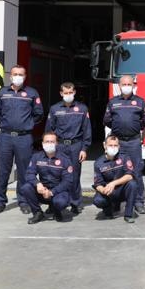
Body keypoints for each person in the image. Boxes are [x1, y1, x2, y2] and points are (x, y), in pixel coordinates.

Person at [0, 65, 44, 215]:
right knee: (2, 171)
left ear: (25, 76)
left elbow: (38, 114)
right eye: (15, 74)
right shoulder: (3, 92)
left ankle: (24, 201)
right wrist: (8, 124)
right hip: (5, 137)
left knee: (24, 172)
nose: (18, 76)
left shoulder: (31, 93)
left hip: (24, 138)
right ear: (10, 76)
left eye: (21, 74)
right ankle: (0, 202)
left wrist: (26, 125)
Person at [103, 74, 145, 214]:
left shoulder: (140, 102)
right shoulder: (113, 102)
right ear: (119, 86)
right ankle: (117, 201)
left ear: (134, 85)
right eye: (123, 84)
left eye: (129, 84)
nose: (126, 87)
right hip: (118, 142)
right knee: (117, 171)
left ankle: (138, 201)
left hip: (134, 142)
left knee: (136, 172)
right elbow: (107, 120)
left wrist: (134, 127)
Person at [45, 81, 92, 216]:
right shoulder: (54, 109)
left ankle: (75, 203)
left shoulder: (82, 109)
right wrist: (49, 147)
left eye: (71, 92)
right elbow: (49, 130)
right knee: (55, 174)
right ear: (61, 93)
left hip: (76, 146)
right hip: (59, 146)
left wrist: (84, 148)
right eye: (65, 93)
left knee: (74, 175)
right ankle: (53, 203)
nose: (68, 95)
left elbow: (86, 130)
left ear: (74, 92)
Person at [20, 132, 75, 224]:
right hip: (42, 190)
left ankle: (56, 211)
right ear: (42, 143)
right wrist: (37, 184)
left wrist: (52, 192)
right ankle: (37, 212)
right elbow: (29, 173)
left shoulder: (65, 159)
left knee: (61, 202)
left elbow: (68, 181)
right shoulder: (36, 157)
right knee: (26, 188)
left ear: (57, 143)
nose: (49, 144)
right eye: (47, 141)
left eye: (52, 142)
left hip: (58, 192)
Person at [92, 135, 140, 223]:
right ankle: (108, 210)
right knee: (98, 200)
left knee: (132, 184)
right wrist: (103, 190)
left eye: (115, 145)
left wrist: (113, 183)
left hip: (122, 190)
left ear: (119, 146)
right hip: (109, 192)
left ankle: (128, 214)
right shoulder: (98, 163)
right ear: (104, 145)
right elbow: (97, 183)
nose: (113, 148)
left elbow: (130, 175)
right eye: (110, 145)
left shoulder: (124, 157)